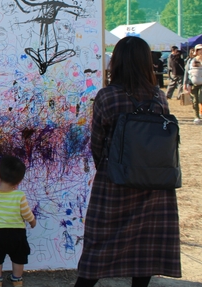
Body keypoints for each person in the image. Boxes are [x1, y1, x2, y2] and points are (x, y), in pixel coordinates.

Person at [75, 36, 181, 287]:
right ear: (146, 62)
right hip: (155, 184)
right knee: (145, 249)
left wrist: (111, 169)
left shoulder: (108, 96)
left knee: (98, 247)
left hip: (114, 182)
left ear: (117, 62)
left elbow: (97, 143)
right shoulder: (159, 97)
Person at [0, 155, 36, 287]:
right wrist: (32, 222)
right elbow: (26, 213)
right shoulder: (19, 195)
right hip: (18, 234)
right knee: (19, 257)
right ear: (19, 181)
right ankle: (17, 280)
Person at [183, 44, 202, 124]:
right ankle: (197, 116)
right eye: (199, 50)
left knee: (201, 99)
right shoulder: (191, 60)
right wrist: (185, 84)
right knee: (195, 100)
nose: (200, 51)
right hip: (192, 83)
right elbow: (186, 73)